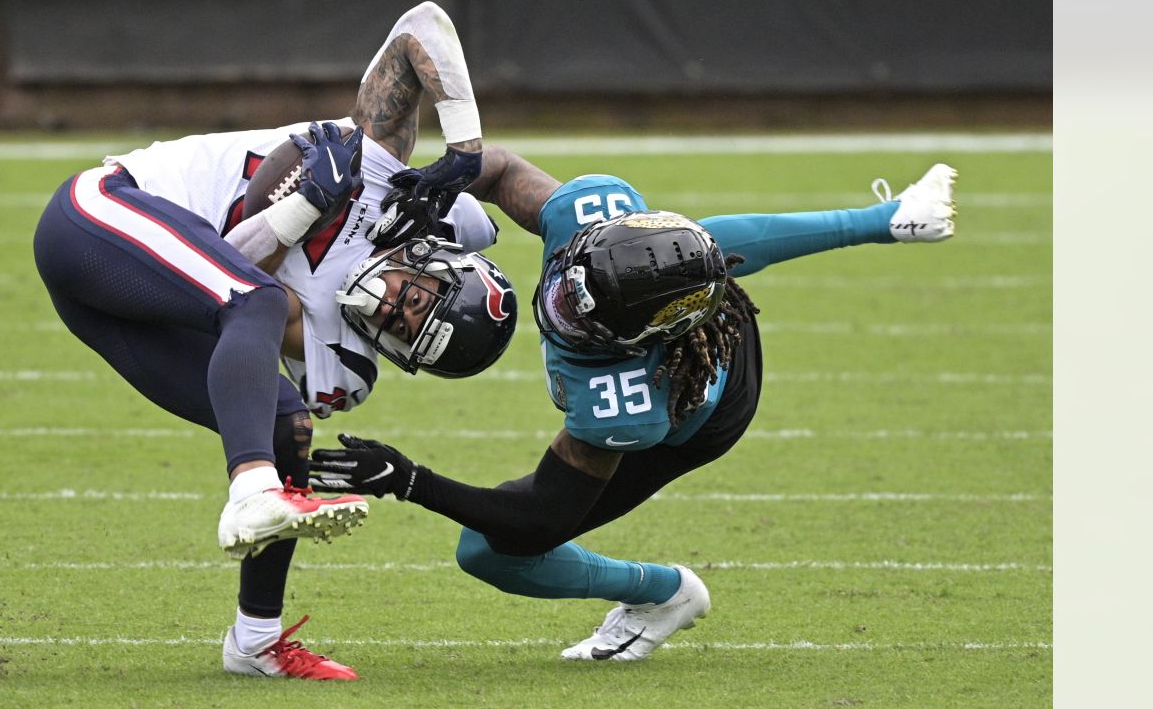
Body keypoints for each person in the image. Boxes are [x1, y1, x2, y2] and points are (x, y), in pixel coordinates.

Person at [311, 137, 959, 660]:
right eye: (566, 287)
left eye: (579, 313)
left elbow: (539, 520)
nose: (558, 307)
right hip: (676, 301)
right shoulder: (590, 222)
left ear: (630, 340)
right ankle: (891, 219)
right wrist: (451, 174)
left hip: (701, 417)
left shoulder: (621, 401)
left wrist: (411, 480)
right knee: (695, 245)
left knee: (485, 550)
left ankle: (665, 595)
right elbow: (504, 167)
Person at [32, 1, 515, 680]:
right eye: (414, 299)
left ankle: (255, 640)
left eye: (404, 331)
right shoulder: (385, 175)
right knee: (250, 304)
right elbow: (422, 25)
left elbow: (230, 282)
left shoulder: (345, 365)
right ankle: (251, 490)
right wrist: (464, 150)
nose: (392, 310)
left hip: (133, 303)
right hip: (101, 216)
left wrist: (295, 212)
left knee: (287, 420)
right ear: (431, 256)